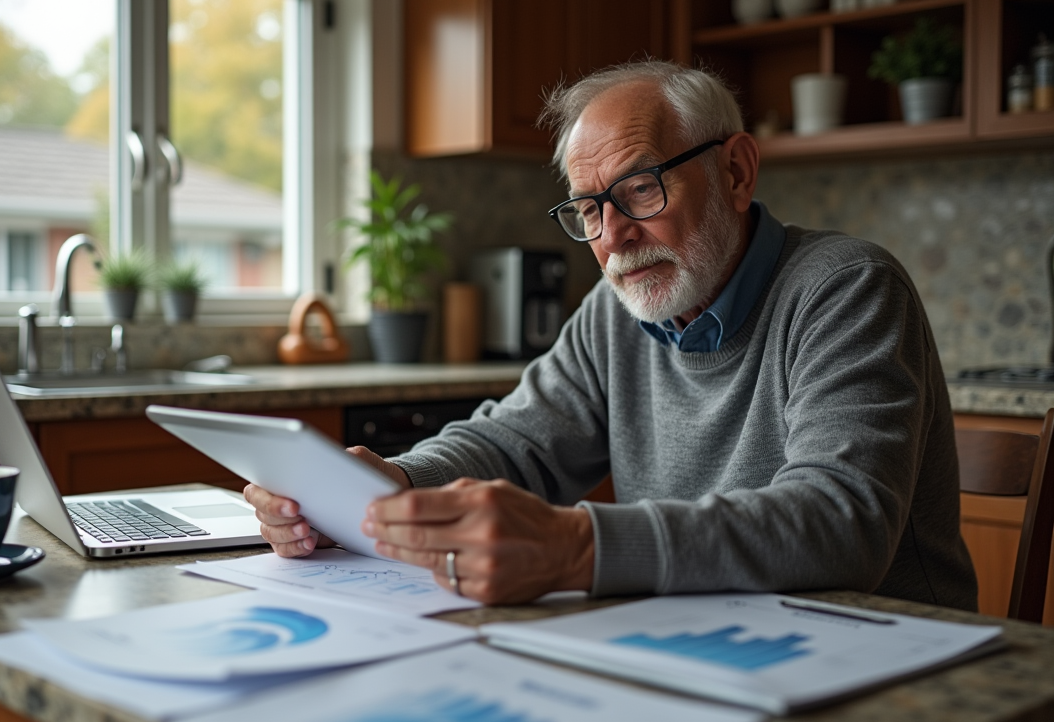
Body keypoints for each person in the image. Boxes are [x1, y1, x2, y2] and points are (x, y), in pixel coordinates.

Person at [244, 59, 978, 611]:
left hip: (887, 661)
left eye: (640, 189)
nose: (614, 237)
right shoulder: (617, 308)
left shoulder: (846, 287)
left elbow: (841, 521)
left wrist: (580, 548)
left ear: (736, 171)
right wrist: (389, 484)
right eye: (589, 209)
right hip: (703, 643)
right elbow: (515, 444)